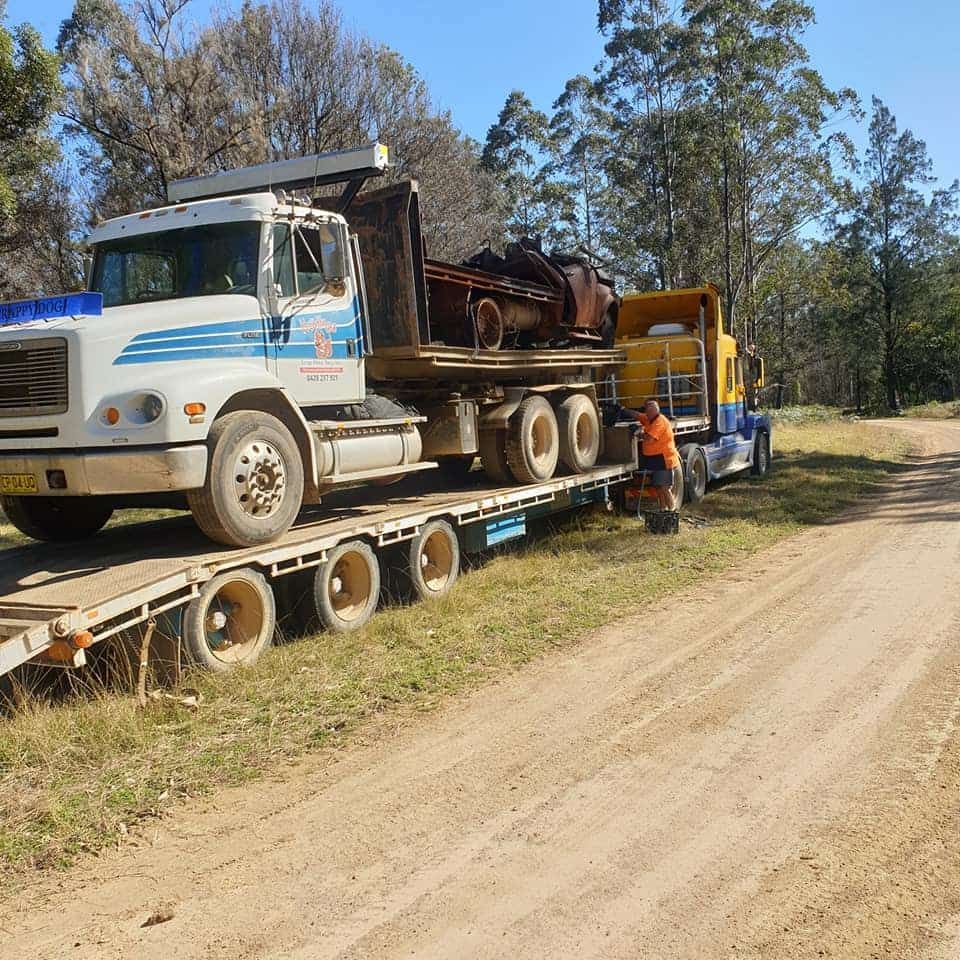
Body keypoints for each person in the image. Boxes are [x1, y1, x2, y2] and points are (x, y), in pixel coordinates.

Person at [627, 399, 681, 511]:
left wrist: (638, 433)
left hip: (664, 459)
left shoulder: (660, 422)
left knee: (665, 487)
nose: (645, 412)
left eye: (647, 410)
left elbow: (650, 438)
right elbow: (638, 415)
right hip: (656, 460)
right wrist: (623, 410)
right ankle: (662, 509)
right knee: (658, 487)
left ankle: (672, 510)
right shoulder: (649, 419)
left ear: (653, 411)